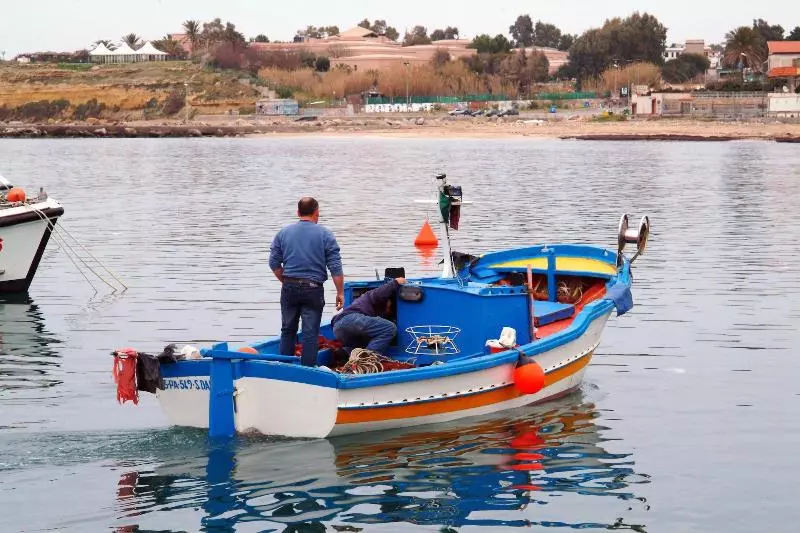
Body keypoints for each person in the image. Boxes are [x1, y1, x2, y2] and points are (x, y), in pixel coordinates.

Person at [269, 197, 344, 367]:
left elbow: (274, 263)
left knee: (287, 329)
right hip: (313, 289)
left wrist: (285, 280)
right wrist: (340, 292)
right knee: (310, 333)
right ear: (316, 213)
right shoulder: (325, 234)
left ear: (298, 213)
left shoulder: (283, 233)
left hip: (289, 287)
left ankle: (285, 367)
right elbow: (335, 267)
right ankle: (308, 370)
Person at [331, 278, 406, 356]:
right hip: (350, 320)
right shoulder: (372, 296)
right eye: (391, 306)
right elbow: (382, 291)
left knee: (361, 346)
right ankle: (368, 358)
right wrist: (396, 282)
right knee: (389, 328)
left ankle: (345, 353)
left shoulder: (374, 308)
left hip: (338, 329)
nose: (389, 310)